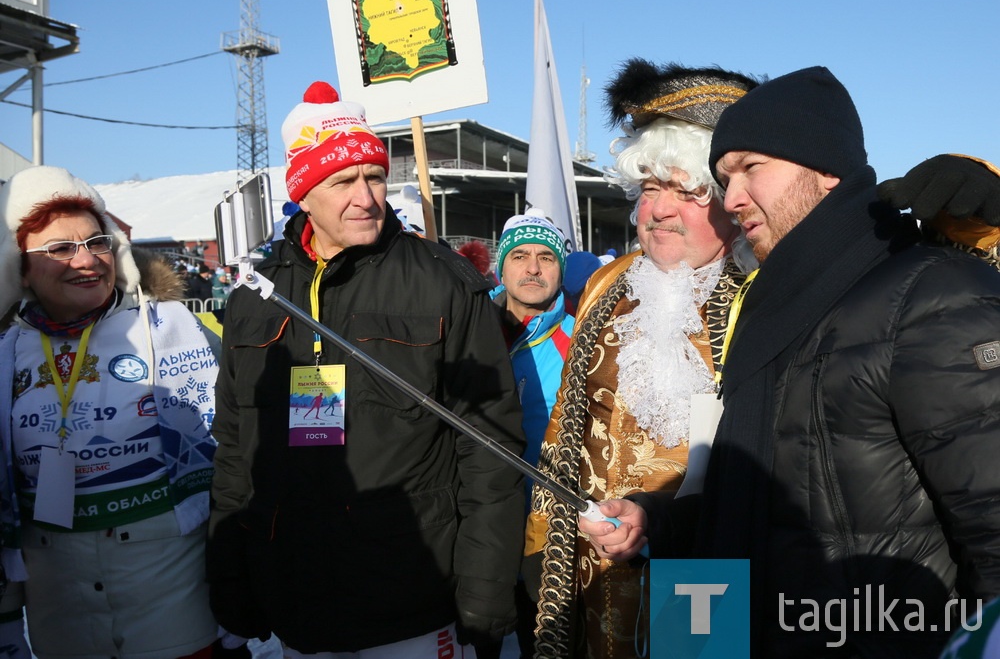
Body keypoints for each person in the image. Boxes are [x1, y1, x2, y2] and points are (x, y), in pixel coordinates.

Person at [584, 66, 1000, 658]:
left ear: (825, 167)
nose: (731, 198)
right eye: (722, 178)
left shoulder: (929, 294)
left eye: (750, 168)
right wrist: (656, 520)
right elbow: (747, 492)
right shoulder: (769, 304)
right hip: (724, 622)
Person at [206, 81, 525, 659]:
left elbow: (489, 451)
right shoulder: (257, 295)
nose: (365, 197)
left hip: (414, 595)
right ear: (302, 193)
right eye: (341, 182)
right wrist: (232, 575)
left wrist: (484, 588)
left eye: (374, 177)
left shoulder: (444, 283)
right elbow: (234, 450)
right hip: (294, 598)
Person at [527, 61, 760, 659]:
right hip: (593, 561)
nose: (659, 209)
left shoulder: (758, 296)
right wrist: (540, 547)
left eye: (687, 192)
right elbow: (566, 428)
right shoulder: (608, 283)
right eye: (650, 188)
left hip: (704, 566)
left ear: (730, 205)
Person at [0, 166, 222, 658]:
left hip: (173, 603)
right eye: (59, 249)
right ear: (20, 267)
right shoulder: (7, 353)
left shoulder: (169, 327)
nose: (86, 260)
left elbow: (237, 442)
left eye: (96, 242)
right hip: (61, 609)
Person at [489, 209, 576, 657]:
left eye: (546, 256)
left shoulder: (581, 340)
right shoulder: (469, 332)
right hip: (479, 519)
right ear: (500, 267)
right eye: (519, 255)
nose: (533, 267)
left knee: (541, 641)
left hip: (545, 525)